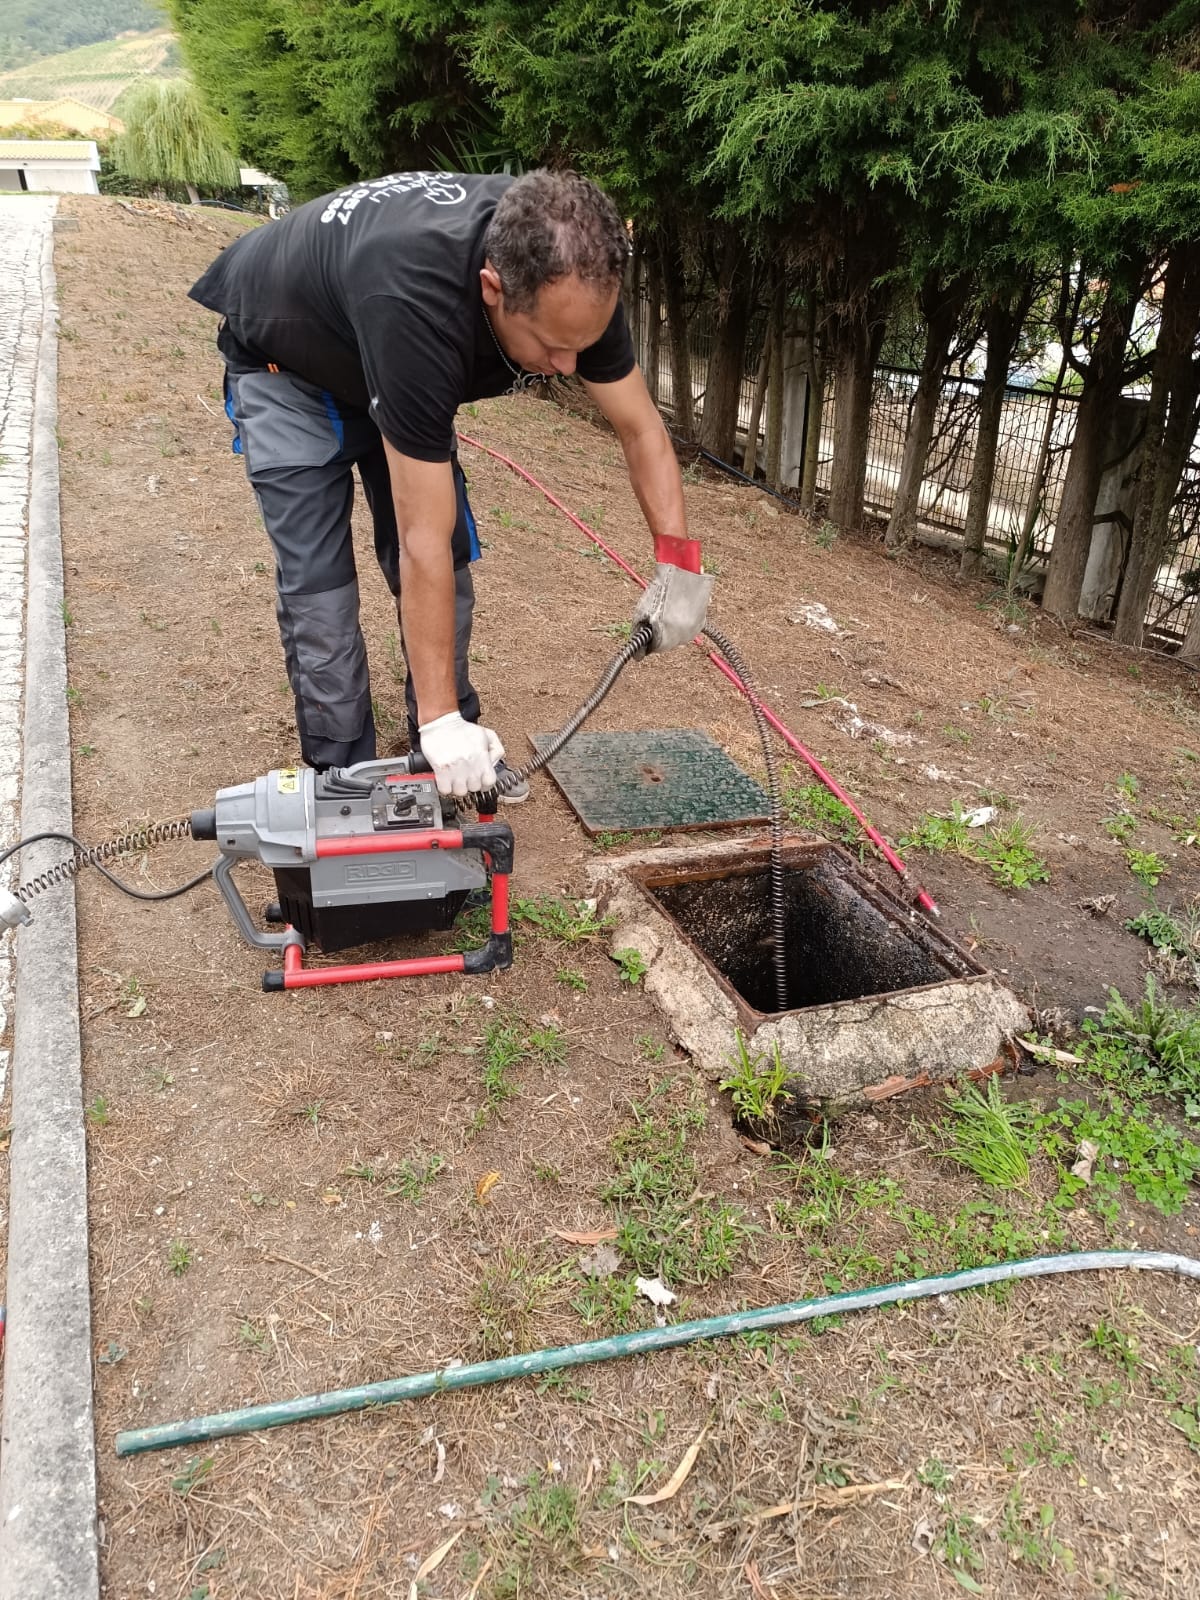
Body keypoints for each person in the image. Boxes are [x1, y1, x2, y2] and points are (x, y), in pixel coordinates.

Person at [189, 168, 712, 799]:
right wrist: (440, 721)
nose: (571, 367)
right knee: (321, 589)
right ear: (492, 288)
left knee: (451, 566)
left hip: (386, 353)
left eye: (585, 344)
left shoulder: (573, 274)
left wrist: (678, 565)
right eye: (553, 347)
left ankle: (444, 749)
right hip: (289, 363)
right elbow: (420, 538)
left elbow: (640, 428)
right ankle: (345, 779)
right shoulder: (416, 297)